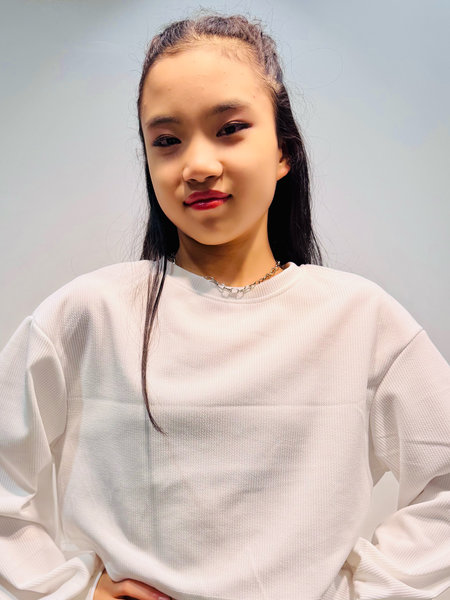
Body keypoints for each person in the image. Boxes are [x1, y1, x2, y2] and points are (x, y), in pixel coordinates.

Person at [0, 12, 449, 600]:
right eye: (167, 141)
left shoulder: (360, 320)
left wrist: (368, 591)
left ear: (284, 150)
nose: (198, 166)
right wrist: (75, 592)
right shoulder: (88, 315)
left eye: (230, 128)